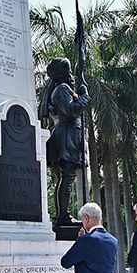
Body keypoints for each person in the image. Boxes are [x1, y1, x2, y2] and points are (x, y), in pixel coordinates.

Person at [39, 58, 91, 226]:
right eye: (69, 72)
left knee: (64, 178)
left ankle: (63, 215)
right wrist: (84, 97)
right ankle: (63, 217)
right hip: (67, 134)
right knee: (67, 177)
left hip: (64, 134)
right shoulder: (62, 89)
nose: (72, 76)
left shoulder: (58, 89)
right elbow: (71, 110)